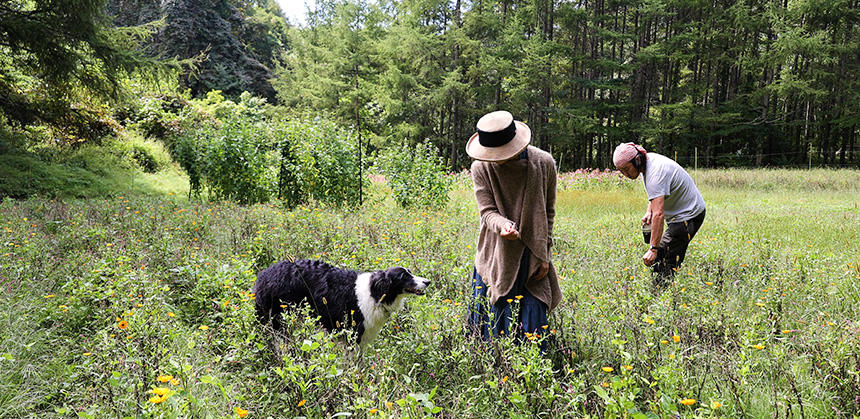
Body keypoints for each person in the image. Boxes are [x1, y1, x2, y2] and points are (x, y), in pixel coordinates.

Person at [465, 110, 562, 343]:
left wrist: (545, 255)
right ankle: (494, 362)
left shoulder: (543, 163)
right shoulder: (480, 168)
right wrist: (503, 226)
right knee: (492, 311)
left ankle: (530, 367)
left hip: (531, 251)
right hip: (496, 251)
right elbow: (487, 212)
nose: (496, 158)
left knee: (531, 312)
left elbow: (549, 212)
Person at [613, 143, 706, 283]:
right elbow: (657, 196)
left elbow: (659, 215)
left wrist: (653, 248)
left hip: (689, 215)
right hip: (681, 213)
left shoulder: (655, 173)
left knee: (663, 256)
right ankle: (663, 291)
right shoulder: (648, 163)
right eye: (621, 171)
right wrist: (649, 211)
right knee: (668, 254)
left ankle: (660, 296)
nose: (625, 174)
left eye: (626, 169)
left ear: (637, 160)